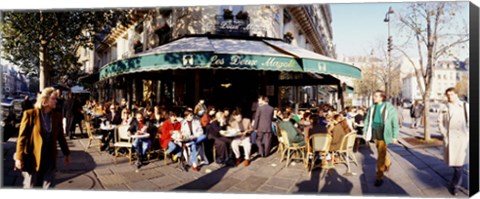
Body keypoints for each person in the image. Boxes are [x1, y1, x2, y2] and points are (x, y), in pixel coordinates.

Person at [14, 87, 70, 188]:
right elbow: (22, 138)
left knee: (48, 186)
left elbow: (61, 136)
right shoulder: (30, 114)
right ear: (45, 99)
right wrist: (19, 158)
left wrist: (66, 153)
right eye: (53, 98)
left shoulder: (57, 116)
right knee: (31, 186)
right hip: (33, 158)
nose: (56, 101)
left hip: (50, 157)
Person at [363, 90, 399, 187]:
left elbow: (395, 122)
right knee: (380, 152)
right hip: (374, 131)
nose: (374, 97)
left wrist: (395, 136)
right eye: (374, 96)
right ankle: (388, 162)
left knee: (381, 155)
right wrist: (365, 132)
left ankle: (379, 176)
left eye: (376, 96)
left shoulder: (389, 108)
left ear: (382, 97)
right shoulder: (372, 107)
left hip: (384, 132)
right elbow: (367, 120)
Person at [438, 87, 469, 196]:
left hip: (461, 139)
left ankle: (455, 185)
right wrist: (444, 133)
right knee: (455, 164)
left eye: (451, 94)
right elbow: (440, 122)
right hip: (450, 139)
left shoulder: (465, 106)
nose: (450, 96)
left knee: (459, 166)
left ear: (456, 94)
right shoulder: (444, 107)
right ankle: (455, 181)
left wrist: (467, 135)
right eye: (448, 95)